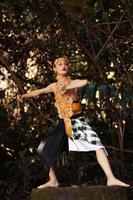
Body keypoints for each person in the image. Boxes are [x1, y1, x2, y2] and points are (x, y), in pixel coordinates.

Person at [21, 57, 129, 188]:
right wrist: (25, 95)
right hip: (63, 123)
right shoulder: (53, 86)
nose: (63, 66)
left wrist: (67, 87)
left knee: (98, 145)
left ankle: (111, 178)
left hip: (77, 121)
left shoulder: (73, 82)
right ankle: (53, 180)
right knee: (42, 150)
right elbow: (40, 91)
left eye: (65, 64)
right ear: (55, 68)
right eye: (60, 64)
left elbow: (84, 82)